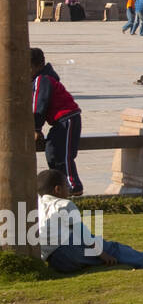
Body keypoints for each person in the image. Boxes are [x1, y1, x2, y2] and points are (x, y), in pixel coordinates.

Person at [37, 170, 143, 272]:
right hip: (69, 253)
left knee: (102, 244)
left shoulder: (37, 205)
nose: (69, 189)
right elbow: (84, 234)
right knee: (113, 249)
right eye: (66, 186)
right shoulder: (64, 204)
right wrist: (102, 254)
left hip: (54, 261)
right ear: (57, 189)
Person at [32, 48, 83, 196]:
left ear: (34, 66)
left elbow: (39, 104)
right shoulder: (42, 78)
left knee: (63, 153)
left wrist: (36, 128)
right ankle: (61, 185)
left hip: (67, 118)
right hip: (60, 121)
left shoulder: (42, 79)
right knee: (52, 150)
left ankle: (73, 186)